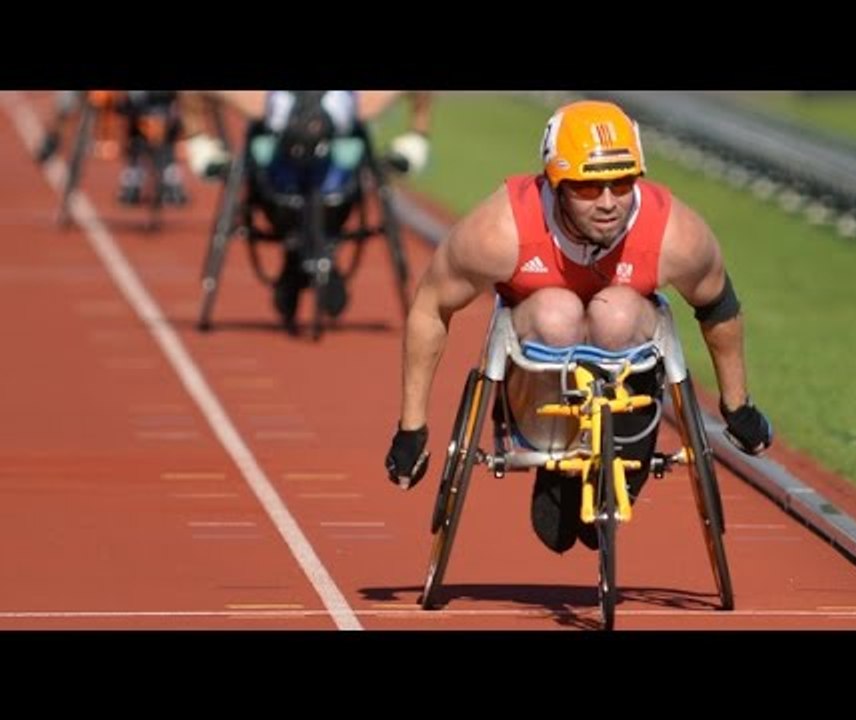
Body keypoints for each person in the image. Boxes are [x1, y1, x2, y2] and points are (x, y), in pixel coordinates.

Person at [384, 99, 773, 553]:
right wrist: (412, 427)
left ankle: (630, 444)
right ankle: (556, 461)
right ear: (556, 183)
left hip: (626, 338)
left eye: (622, 183)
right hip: (537, 360)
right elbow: (431, 306)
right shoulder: (500, 230)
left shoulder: (676, 235)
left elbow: (719, 306)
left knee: (615, 313)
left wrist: (737, 405)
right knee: (558, 311)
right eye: (588, 188)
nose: (608, 203)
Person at [179, 90, 432, 330]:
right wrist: (200, 147)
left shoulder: (348, 103)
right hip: (280, 190)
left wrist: (415, 141)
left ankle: (311, 256)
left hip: (334, 189)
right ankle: (299, 255)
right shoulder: (267, 102)